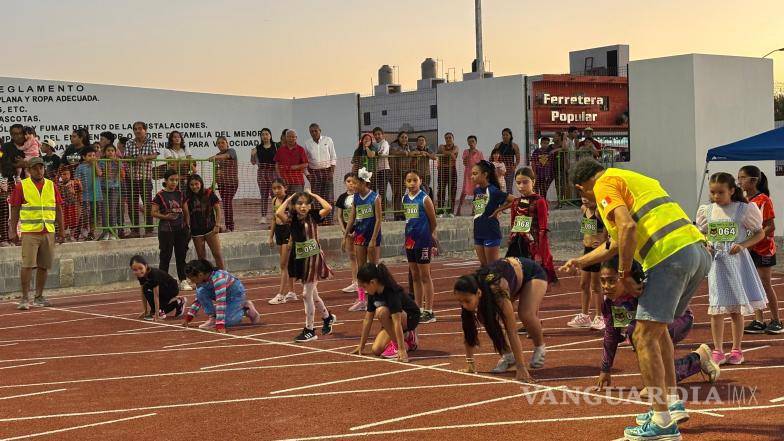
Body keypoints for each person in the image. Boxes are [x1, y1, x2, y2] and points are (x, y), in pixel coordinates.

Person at [561, 158, 711, 441]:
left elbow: (627, 228)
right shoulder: (631, 179)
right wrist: (581, 261)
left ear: (584, 186)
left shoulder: (604, 184)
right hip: (696, 252)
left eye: (583, 195)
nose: (587, 200)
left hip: (668, 255)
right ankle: (671, 404)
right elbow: (614, 242)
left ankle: (662, 423)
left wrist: (625, 273)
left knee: (642, 337)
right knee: (657, 331)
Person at [592, 257, 720, 401]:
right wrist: (605, 369)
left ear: (625, 278)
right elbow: (611, 334)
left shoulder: (643, 292)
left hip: (678, 320)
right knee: (642, 341)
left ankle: (661, 382)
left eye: (611, 280)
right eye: (603, 281)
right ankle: (699, 358)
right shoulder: (610, 304)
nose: (606, 286)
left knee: (637, 332)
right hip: (648, 330)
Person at [696, 172, 767, 365]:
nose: (716, 196)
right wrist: (706, 243)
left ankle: (737, 349)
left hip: (736, 263)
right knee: (716, 309)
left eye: (720, 192)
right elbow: (700, 234)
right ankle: (718, 350)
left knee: (736, 309)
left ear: (732, 191)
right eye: (713, 192)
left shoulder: (743, 210)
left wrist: (743, 245)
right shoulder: (707, 211)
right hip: (716, 263)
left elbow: (760, 233)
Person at [454, 256, 548, 381]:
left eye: (467, 301)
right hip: (510, 278)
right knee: (484, 317)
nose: (464, 305)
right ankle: (509, 357)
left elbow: (512, 331)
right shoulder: (468, 291)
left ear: (479, 294)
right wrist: (470, 364)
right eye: (460, 301)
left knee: (525, 313)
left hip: (532, 274)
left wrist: (521, 368)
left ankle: (539, 347)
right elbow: (468, 330)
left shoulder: (498, 292)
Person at [276, 190, 336, 342]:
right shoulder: (292, 218)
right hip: (301, 259)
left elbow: (328, 207)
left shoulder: (314, 216)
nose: (303, 206)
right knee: (313, 294)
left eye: (306, 203)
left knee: (305, 294)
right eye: (299, 203)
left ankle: (309, 329)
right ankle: (327, 317)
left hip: (314, 258)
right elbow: (278, 213)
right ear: (294, 206)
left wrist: (315, 196)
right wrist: (290, 198)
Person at [8, 157, 65, 310]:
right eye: (35, 168)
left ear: (44, 169)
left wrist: (62, 230)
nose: (39, 171)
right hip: (29, 232)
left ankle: (39, 297)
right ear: (29, 170)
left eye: (41, 168)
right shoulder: (22, 186)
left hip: (48, 231)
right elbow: (15, 208)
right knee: (27, 265)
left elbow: (58, 208)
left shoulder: (51, 185)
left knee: (44, 266)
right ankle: (25, 298)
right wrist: (13, 229)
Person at [738, 165, 782, 334]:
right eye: (738, 177)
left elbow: (771, 226)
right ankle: (758, 320)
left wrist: (757, 236)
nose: (739, 181)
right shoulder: (742, 202)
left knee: (765, 283)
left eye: (742, 177)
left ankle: (776, 320)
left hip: (763, 248)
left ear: (754, 180)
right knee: (752, 283)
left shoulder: (764, 200)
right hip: (748, 249)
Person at [352, 262, 420, 361]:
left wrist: (401, 349)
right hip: (392, 319)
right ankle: (409, 340)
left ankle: (405, 338)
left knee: (381, 312)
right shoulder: (373, 293)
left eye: (364, 287)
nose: (364, 290)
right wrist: (361, 345)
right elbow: (367, 319)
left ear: (373, 282)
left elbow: (397, 322)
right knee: (376, 349)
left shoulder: (392, 293)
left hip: (409, 318)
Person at [503, 168, 557, 283]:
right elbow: (513, 222)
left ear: (533, 181)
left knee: (535, 275)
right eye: (518, 183)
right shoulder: (516, 202)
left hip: (534, 242)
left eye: (525, 182)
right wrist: (511, 238)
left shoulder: (539, 201)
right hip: (518, 242)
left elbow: (543, 226)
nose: (521, 186)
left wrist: (540, 248)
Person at [182, 259, 261, 332]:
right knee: (200, 292)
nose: (191, 282)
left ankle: (246, 310)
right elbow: (199, 299)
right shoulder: (201, 281)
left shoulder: (218, 279)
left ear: (200, 275)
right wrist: (189, 317)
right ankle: (212, 318)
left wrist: (220, 324)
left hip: (235, 295)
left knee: (228, 321)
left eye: (192, 279)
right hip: (222, 293)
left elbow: (221, 301)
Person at [344, 168, 383, 312]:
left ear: (362, 182)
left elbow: (379, 219)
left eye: (354, 183)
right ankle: (361, 300)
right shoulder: (355, 198)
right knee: (361, 270)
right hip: (359, 235)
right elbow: (352, 218)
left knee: (373, 268)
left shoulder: (375, 198)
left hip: (372, 235)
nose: (352, 186)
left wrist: (373, 239)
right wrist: (345, 235)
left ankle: (378, 298)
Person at [568, 196, 608, 330]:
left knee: (596, 286)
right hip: (587, 250)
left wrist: (604, 242)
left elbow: (610, 228)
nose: (584, 199)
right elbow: (588, 231)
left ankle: (599, 316)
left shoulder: (599, 211)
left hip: (597, 252)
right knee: (583, 284)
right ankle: (585, 315)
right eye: (582, 196)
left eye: (587, 197)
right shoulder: (583, 209)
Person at [403, 170, 437, 323]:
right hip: (409, 241)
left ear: (420, 181)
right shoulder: (405, 198)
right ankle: (418, 308)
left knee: (425, 275)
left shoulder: (425, 199)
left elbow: (433, 221)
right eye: (409, 181)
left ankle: (429, 311)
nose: (411, 184)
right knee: (414, 275)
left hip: (423, 241)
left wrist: (428, 238)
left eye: (414, 180)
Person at [152, 169, 192, 291]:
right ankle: (162, 282)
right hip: (166, 231)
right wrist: (166, 217)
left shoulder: (180, 194)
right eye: (171, 180)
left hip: (180, 230)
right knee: (165, 257)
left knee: (181, 256)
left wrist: (187, 226)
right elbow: (153, 212)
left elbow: (186, 211)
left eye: (176, 180)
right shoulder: (159, 195)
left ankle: (183, 280)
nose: (174, 182)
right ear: (166, 180)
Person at [471, 160, 515, 266]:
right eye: (472, 174)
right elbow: (479, 211)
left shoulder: (493, 190)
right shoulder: (477, 191)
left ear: (485, 174)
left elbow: (514, 200)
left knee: (493, 268)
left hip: (491, 232)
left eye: (475, 174)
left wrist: (498, 210)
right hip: (478, 231)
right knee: (484, 267)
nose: (472, 176)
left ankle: (503, 282)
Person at [183, 174, 225, 270]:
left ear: (201, 183)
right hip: (196, 231)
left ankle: (224, 276)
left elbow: (218, 210)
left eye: (196, 184)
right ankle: (205, 279)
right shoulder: (187, 197)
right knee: (201, 258)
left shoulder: (209, 193)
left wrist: (217, 225)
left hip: (211, 229)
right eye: (192, 185)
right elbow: (186, 213)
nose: (194, 187)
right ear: (189, 186)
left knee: (217, 254)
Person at [125, 122, 159, 237]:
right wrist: (135, 159)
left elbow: (155, 155)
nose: (137, 131)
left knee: (148, 204)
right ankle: (135, 230)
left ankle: (149, 230)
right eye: (135, 129)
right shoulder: (130, 142)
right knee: (132, 204)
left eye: (140, 129)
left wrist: (144, 157)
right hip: (131, 178)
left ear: (145, 130)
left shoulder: (151, 141)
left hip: (145, 178)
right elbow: (126, 157)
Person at [130, 254, 186, 321]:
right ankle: (163, 308)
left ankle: (178, 302)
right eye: (135, 270)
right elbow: (143, 293)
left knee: (158, 307)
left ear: (145, 265)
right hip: (162, 289)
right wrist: (145, 311)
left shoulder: (153, 274)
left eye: (140, 268)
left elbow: (156, 295)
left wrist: (157, 315)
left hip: (171, 288)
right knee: (145, 288)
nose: (138, 272)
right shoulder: (141, 276)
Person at [267, 179, 297, 305]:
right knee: (287, 264)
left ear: (285, 187)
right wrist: (270, 236)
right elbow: (274, 219)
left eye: (279, 188)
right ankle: (292, 291)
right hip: (279, 232)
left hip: (288, 231)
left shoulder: (289, 201)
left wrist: (291, 238)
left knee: (283, 265)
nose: (277, 191)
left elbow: (293, 221)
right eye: (274, 188)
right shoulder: (274, 201)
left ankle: (281, 294)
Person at [2, 125, 30, 246]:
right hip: (11, 184)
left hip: (29, 184)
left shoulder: (31, 145)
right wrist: (16, 166)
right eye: (13, 134)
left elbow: (38, 162)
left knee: (28, 211)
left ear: (23, 133)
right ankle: (8, 237)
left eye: (19, 133)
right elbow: (2, 162)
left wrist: (25, 164)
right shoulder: (5, 147)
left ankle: (28, 236)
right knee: (10, 212)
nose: (16, 136)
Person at [304, 123, 337, 224]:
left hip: (327, 171)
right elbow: (304, 160)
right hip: (313, 172)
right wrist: (307, 175)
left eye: (315, 131)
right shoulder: (307, 143)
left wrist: (331, 172)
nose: (314, 133)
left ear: (320, 130)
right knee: (316, 197)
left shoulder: (328, 140)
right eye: (311, 131)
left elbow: (333, 156)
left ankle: (329, 220)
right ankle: (319, 221)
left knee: (329, 197)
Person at [335, 173, 359, 294]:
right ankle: (354, 281)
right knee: (352, 256)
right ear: (345, 182)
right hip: (347, 231)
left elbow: (360, 215)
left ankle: (362, 281)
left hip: (358, 230)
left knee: (360, 256)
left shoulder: (359, 196)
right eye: (348, 181)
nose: (351, 184)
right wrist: (344, 231)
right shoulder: (342, 197)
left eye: (353, 182)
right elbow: (339, 216)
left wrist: (356, 230)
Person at [75, 147, 103, 241]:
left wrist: (95, 164)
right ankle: (81, 231)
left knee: (94, 215)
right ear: (84, 157)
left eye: (94, 155)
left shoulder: (96, 165)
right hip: (85, 196)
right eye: (89, 156)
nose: (92, 157)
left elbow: (99, 174)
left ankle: (92, 232)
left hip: (96, 195)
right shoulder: (80, 167)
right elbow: (77, 180)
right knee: (85, 215)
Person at [98, 143, 125, 240]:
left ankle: (113, 232)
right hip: (103, 188)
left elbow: (122, 175)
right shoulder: (101, 161)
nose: (110, 152)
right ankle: (105, 232)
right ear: (105, 152)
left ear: (115, 152)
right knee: (105, 210)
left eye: (112, 150)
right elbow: (100, 174)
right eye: (108, 150)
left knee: (113, 210)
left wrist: (118, 163)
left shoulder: (119, 161)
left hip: (114, 188)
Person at [211, 136, 238, 232]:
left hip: (231, 183)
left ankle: (230, 227)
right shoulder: (217, 155)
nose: (221, 145)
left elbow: (227, 156)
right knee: (225, 204)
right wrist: (213, 183)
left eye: (223, 142)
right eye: (218, 143)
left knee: (227, 203)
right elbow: (216, 171)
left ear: (227, 143)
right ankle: (227, 226)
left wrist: (215, 157)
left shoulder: (231, 151)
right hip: (221, 184)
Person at [251, 128, 277, 223]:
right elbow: (253, 162)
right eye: (263, 134)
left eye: (266, 134)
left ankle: (277, 214)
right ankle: (263, 216)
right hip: (262, 173)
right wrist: (252, 155)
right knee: (264, 195)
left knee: (275, 195)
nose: (265, 136)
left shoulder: (276, 146)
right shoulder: (257, 148)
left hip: (274, 173)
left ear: (270, 135)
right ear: (261, 137)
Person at [455, 135, 484, 216]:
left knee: (478, 191)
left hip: (477, 175)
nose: (471, 143)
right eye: (469, 141)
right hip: (468, 175)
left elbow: (482, 164)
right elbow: (464, 161)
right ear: (467, 142)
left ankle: (476, 211)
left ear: (476, 142)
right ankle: (458, 210)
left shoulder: (479, 153)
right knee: (464, 192)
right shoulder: (466, 151)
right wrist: (471, 153)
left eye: (473, 141)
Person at [274, 129, 309, 194]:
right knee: (284, 202)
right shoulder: (280, 150)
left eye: (293, 137)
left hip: (297, 181)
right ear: (286, 138)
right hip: (284, 182)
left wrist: (294, 167)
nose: (291, 138)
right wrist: (279, 178)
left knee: (297, 202)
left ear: (296, 138)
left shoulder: (301, 149)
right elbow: (277, 165)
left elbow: (306, 164)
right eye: (289, 137)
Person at [388, 131, 410, 219]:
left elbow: (413, 152)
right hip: (394, 173)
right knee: (396, 193)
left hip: (404, 173)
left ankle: (401, 212)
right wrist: (404, 153)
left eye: (406, 137)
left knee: (402, 193)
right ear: (398, 138)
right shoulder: (393, 145)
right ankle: (396, 213)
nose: (404, 139)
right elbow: (393, 153)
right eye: (402, 137)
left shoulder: (408, 146)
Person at [436, 132, 459, 216]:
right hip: (442, 170)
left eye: (450, 137)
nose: (448, 139)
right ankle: (440, 211)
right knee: (441, 190)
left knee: (452, 191)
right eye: (446, 138)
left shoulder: (456, 147)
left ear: (453, 139)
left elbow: (454, 152)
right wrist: (450, 153)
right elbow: (442, 151)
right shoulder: (441, 146)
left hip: (452, 170)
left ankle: (450, 211)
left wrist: (447, 153)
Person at [57, 166, 82, 242]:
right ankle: (63, 235)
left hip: (73, 204)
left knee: (73, 220)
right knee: (63, 220)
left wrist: (78, 186)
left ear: (70, 175)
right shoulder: (58, 184)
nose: (65, 176)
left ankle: (72, 235)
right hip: (63, 206)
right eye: (63, 174)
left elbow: (80, 191)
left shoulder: (74, 183)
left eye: (67, 174)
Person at [493, 128, 520, 194]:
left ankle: (510, 203)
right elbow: (492, 157)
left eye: (506, 135)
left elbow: (518, 159)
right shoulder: (498, 145)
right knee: (498, 186)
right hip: (499, 169)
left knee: (509, 188)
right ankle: (499, 202)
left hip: (510, 169)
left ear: (510, 136)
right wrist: (496, 167)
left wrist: (514, 166)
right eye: (503, 135)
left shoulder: (514, 146)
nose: (504, 136)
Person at [529, 136, 556, 203]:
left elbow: (552, 164)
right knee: (536, 189)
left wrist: (551, 174)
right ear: (541, 143)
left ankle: (542, 202)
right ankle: (536, 202)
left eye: (547, 143)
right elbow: (533, 163)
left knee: (543, 190)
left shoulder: (550, 153)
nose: (545, 145)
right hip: (538, 174)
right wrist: (534, 173)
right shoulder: (536, 152)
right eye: (544, 143)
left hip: (546, 175)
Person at [371, 127, 391, 211]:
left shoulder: (385, 143)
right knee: (374, 191)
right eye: (375, 134)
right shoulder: (374, 144)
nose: (377, 136)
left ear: (382, 135)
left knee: (382, 191)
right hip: (375, 171)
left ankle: (382, 212)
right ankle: (375, 211)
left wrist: (374, 153)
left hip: (384, 170)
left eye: (379, 134)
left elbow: (381, 153)